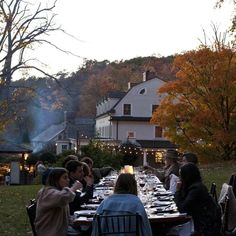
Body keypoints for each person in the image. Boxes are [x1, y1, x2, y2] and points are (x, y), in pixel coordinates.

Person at [174, 163, 221, 235]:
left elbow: (182, 209)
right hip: (202, 222)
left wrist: (177, 191)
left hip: (203, 227)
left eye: (181, 176)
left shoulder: (196, 189)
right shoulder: (195, 185)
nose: (179, 178)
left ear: (186, 176)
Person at [34, 167, 82, 236]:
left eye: (68, 177)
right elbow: (64, 197)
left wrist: (75, 220)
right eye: (65, 178)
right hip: (50, 232)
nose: (68, 180)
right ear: (56, 180)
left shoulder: (57, 191)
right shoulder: (47, 192)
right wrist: (74, 188)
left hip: (60, 230)